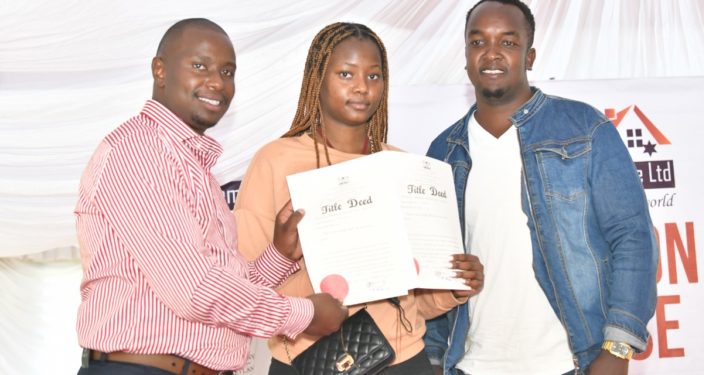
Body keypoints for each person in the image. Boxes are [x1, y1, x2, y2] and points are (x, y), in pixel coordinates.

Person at [74, 18, 348, 375]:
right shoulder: (138, 151)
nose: (217, 82)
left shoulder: (194, 167)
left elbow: (223, 291)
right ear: (160, 69)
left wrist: (279, 255)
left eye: (228, 71)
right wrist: (305, 314)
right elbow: (196, 291)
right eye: (199, 66)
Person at [234, 22, 484, 375]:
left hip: (403, 360)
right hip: (310, 361)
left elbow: (412, 303)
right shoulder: (275, 161)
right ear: (316, 79)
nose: (362, 88)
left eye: (373, 76)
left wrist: (456, 285)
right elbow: (245, 287)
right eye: (346, 73)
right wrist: (280, 254)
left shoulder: (401, 165)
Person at [424, 1, 659, 374]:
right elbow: (435, 267)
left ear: (529, 56)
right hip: (471, 365)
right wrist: (433, 357)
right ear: (466, 55)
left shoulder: (583, 127)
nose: (492, 53)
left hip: (569, 362)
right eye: (478, 41)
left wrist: (617, 349)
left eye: (508, 42)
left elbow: (633, 238)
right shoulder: (443, 152)